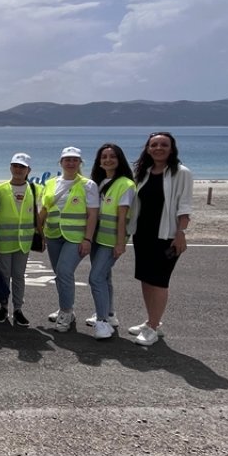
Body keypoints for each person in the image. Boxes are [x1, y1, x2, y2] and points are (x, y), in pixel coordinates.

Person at [126, 132, 192, 346]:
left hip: (167, 236)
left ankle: (153, 328)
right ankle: (151, 321)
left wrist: (181, 233)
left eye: (164, 145)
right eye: (154, 145)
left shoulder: (181, 173)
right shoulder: (144, 173)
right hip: (143, 234)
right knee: (146, 279)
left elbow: (185, 206)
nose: (158, 148)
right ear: (148, 149)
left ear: (171, 149)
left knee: (160, 281)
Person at [39, 146, 100, 332]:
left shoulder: (88, 185)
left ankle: (66, 311)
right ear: (61, 162)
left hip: (75, 237)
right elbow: (44, 210)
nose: (71, 163)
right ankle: (65, 308)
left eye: (75, 160)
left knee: (65, 271)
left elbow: (92, 215)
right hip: (53, 234)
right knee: (59, 273)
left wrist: (87, 239)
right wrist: (40, 234)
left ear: (80, 163)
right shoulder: (50, 183)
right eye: (67, 160)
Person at [84, 143, 136, 339]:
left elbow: (123, 216)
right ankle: (109, 314)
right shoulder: (98, 182)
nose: (107, 160)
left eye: (112, 156)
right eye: (103, 157)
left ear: (119, 159)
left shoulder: (125, 184)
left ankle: (103, 323)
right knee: (105, 277)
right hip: (97, 238)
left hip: (111, 240)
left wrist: (121, 243)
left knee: (95, 277)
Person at [0, 153, 39, 327]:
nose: (18, 170)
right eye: (15, 166)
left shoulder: (35, 189)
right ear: (10, 167)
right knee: (4, 276)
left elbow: (39, 215)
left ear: (28, 170)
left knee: (19, 276)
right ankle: (3, 307)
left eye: (22, 167)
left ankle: (18, 309)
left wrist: (43, 236)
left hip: (23, 242)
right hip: (4, 241)